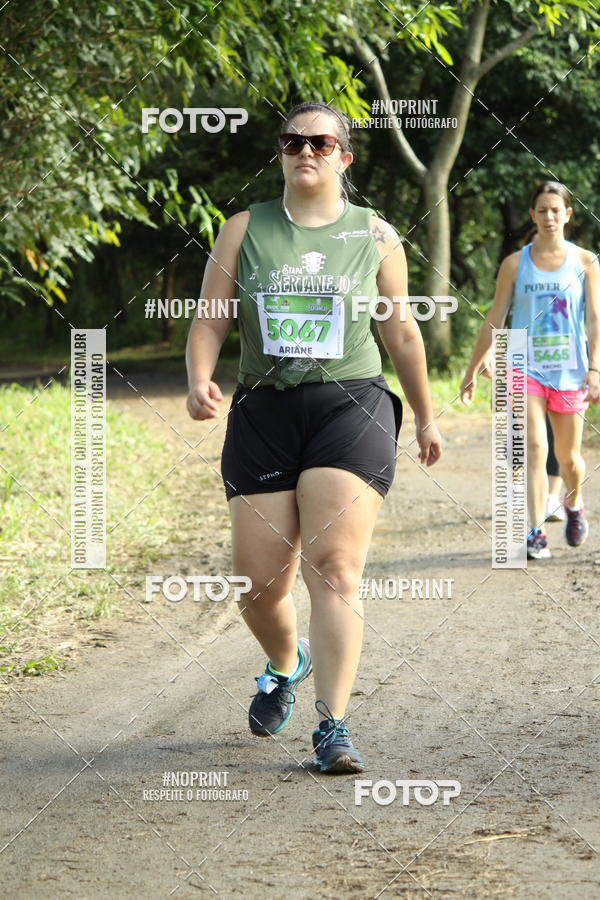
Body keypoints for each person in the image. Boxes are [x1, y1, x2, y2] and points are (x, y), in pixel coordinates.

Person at [186, 101, 441, 773]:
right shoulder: (244, 228)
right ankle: (283, 663)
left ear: (343, 157)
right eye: (294, 141)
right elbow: (211, 320)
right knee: (259, 586)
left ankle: (334, 727)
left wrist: (425, 415)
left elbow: (403, 332)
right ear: (281, 152)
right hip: (264, 410)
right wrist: (199, 379)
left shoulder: (376, 235)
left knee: (336, 568)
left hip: (349, 405)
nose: (306, 151)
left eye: (322, 142)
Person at [460, 181, 599, 559]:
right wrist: (474, 366)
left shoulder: (586, 262)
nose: (549, 217)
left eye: (556, 210)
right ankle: (534, 531)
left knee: (569, 458)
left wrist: (595, 370)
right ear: (532, 215)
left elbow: (595, 319)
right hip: (523, 363)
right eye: (542, 210)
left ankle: (574, 502)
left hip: (570, 368)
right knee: (533, 447)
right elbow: (496, 317)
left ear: (568, 214)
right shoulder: (513, 264)